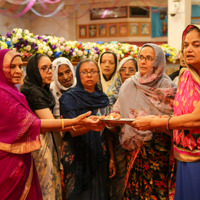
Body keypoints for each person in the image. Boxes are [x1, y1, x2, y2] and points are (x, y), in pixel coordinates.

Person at [0, 49, 99, 200]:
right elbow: (35, 125)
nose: (19, 71)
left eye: (20, 66)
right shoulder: (7, 94)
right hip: (11, 158)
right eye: (12, 67)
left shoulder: (16, 90)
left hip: (28, 149)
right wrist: (76, 122)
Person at [130, 25, 200, 200]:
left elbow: (196, 120)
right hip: (181, 155)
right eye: (186, 45)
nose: (189, 49)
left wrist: (156, 122)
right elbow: (179, 113)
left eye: (196, 45)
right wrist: (158, 119)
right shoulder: (185, 76)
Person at [108, 43, 177, 199]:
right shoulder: (128, 85)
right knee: (134, 191)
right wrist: (114, 117)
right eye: (141, 57)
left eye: (149, 58)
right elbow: (117, 109)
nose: (143, 62)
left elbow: (177, 120)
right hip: (133, 149)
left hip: (158, 151)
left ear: (158, 62)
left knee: (155, 192)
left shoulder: (168, 88)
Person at [59, 58, 113, 200]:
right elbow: (73, 130)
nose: (89, 75)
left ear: (98, 74)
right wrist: (93, 125)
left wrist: (112, 157)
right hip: (76, 153)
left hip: (99, 153)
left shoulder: (103, 98)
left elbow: (106, 133)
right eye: (85, 72)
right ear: (78, 75)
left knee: (99, 193)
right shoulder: (68, 98)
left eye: (93, 72)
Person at [106, 57, 137, 200]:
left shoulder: (143, 91)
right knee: (119, 186)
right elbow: (109, 129)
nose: (127, 73)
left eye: (131, 70)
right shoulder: (114, 94)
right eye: (123, 70)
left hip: (140, 145)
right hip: (119, 145)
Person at [50, 57, 77, 198]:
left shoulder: (81, 87)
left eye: (68, 72)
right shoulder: (50, 92)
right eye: (60, 74)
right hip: (59, 144)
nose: (66, 77)